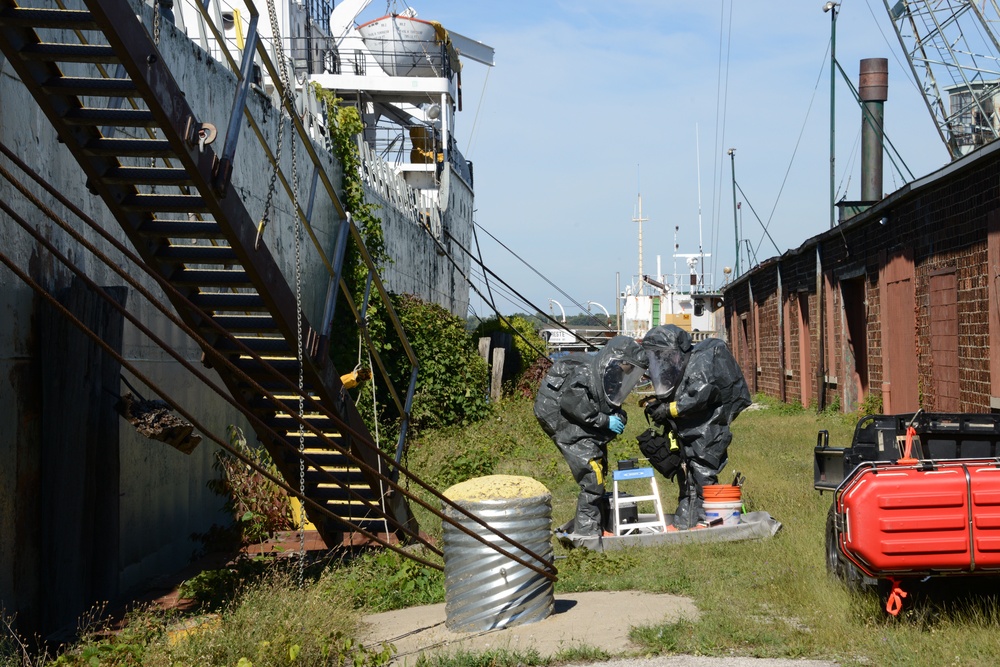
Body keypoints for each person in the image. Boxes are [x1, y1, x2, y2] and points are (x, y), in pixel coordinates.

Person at [534, 336, 648, 537]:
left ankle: (597, 521)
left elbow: (609, 401)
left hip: (583, 424)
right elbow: (573, 405)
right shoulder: (586, 373)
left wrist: (617, 417)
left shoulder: (611, 372)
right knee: (592, 475)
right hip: (564, 422)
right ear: (617, 359)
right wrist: (605, 421)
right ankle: (588, 532)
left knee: (598, 469)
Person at [640, 325, 751, 530]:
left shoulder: (700, 363)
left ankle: (712, 521)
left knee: (702, 472)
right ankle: (689, 521)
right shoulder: (682, 365)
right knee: (687, 473)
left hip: (707, 427)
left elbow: (698, 396)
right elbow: (678, 390)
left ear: (679, 351)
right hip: (691, 427)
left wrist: (668, 410)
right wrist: (660, 404)